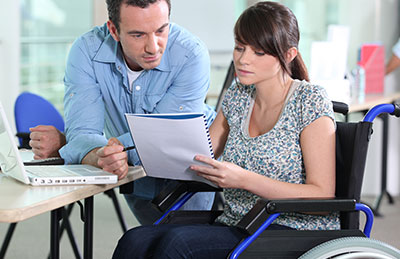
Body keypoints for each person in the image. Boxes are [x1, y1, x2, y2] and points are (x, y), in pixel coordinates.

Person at [112, 1, 339, 258]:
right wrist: (145, 144)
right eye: (240, 47)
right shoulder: (238, 95)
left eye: (259, 53)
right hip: (238, 224)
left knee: (177, 244)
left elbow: (321, 196)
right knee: (134, 241)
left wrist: (244, 179)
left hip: (291, 229)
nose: (243, 59)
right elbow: (201, 153)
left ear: (288, 55)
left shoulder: (309, 100)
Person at [29, 0, 216, 225]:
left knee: (183, 244)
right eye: (138, 35)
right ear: (113, 30)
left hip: (189, 168)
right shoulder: (86, 51)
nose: (153, 47)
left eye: (161, 30)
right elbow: (83, 130)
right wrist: (99, 154)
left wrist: (82, 148)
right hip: (130, 171)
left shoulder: (191, 54)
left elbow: (165, 134)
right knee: (149, 244)